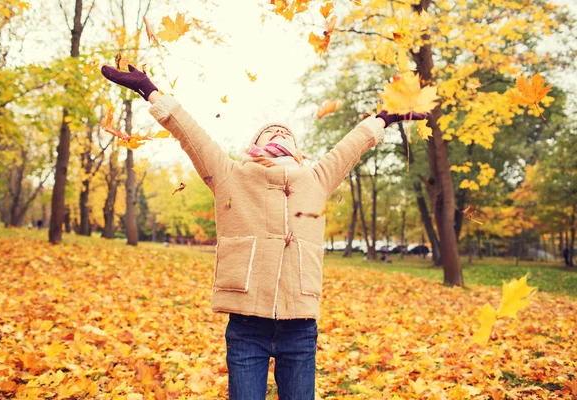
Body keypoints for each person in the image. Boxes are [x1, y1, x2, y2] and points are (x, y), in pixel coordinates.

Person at [101, 64, 426, 400]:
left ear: (297, 148)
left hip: (299, 325)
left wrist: (385, 117)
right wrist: (147, 88)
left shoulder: (316, 177)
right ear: (254, 143)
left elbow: (352, 146)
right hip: (246, 325)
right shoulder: (230, 175)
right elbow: (190, 133)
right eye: (270, 131)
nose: (279, 133)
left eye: (286, 133)